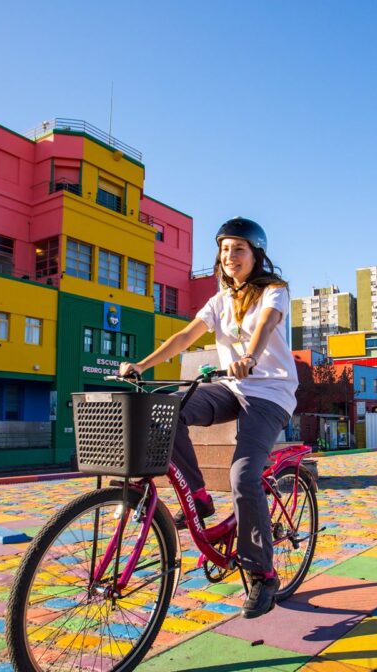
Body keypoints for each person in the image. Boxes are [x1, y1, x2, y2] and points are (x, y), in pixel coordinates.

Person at [118, 216, 298, 619]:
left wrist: (250, 357)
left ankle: (263, 573)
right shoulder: (219, 301)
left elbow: (267, 324)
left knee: (243, 476)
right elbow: (183, 337)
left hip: (269, 393)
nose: (229, 256)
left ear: (256, 255)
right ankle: (198, 498)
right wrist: (142, 366)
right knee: (166, 411)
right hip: (231, 388)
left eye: (238, 249)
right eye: (224, 249)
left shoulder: (274, 291)